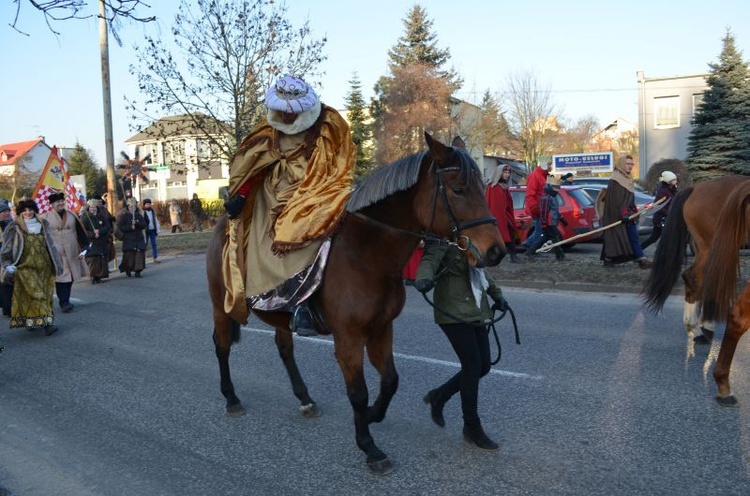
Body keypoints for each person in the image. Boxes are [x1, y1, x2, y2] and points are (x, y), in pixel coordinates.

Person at [220, 75, 356, 330]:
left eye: (291, 113)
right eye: (282, 113)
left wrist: (326, 187)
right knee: (279, 240)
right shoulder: (267, 128)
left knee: (326, 225)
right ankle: (296, 304)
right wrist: (240, 194)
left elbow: (340, 159)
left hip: (319, 187)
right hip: (273, 193)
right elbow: (253, 163)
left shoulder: (329, 123)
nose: (286, 118)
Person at [414, 240, 509, 451]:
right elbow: (429, 260)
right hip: (452, 309)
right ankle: (471, 427)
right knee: (473, 366)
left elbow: (481, 269)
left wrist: (497, 294)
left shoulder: (470, 236)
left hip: (475, 306)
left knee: (483, 366)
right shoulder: (443, 235)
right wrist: (423, 278)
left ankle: (439, 395)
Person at [0, 199, 63, 336]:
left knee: (44, 295)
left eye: (30, 210)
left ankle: (31, 321)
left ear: (35, 210)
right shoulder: (14, 227)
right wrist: (7, 265)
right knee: (37, 295)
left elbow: (51, 246)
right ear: (20, 213)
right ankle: (48, 324)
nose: (28, 213)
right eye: (24, 210)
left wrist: (57, 263)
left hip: (45, 267)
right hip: (25, 268)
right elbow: (6, 250)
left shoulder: (43, 225)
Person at [599, 155, 652, 269]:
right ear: (621, 164)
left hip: (628, 213)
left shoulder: (627, 178)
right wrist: (625, 214)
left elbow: (629, 198)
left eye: (631, 164)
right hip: (617, 215)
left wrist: (633, 210)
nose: (630, 166)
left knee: (631, 237)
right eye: (628, 164)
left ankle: (639, 259)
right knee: (614, 237)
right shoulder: (616, 179)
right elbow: (617, 200)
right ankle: (638, 259)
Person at [43, 192, 89, 313]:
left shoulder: (71, 215)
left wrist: (85, 245)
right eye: (57, 202)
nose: (60, 203)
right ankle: (64, 302)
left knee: (70, 277)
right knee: (61, 278)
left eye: (61, 201)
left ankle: (65, 299)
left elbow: (80, 231)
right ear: (52, 204)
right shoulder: (45, 218)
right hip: (57, 253)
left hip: (72, 250)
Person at [485, 164, 523, 263]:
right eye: (504, 172)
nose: (507, 175)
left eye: (508, 173)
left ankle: (513, 257)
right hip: (498, 218)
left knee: (511, 236)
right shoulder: (493, 187)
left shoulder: (503, 187)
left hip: (506, 217)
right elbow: (494, 206)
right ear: (499, 173)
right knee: (499, 238)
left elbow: (507, 204)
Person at [527, 178, 567, 261]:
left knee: (544, 239)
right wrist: (544, 224)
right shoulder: (546, 197)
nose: (558, 190)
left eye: (559, 188)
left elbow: (554, 211)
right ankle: (560, 255)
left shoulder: (552, 196)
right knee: (555, 238)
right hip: (549, 223)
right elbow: (544, 212)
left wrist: (561, 219)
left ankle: (530, 252)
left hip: (551, 222)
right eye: (557, 188)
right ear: (551, 187)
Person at [640, 170, 678, 250]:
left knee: (658, 238)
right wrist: (668, 213)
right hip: (661, 219)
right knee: (654, 238)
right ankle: (638, 251)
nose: (676, 181)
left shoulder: (672, 189)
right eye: (674, 180)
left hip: (668, 218)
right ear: (669, 181)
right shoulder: (663, 191)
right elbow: (658, 206)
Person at [79, 199, 111, 283]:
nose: (93, 209)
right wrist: (93, 234)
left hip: (102, 241)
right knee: (93, 260)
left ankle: (99, 276)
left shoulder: (102, 216)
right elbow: (83, 231)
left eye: (94, 208)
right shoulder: (85, 218)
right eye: (91, 208)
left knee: (101, 260)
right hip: (91, 243)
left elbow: (107, 227)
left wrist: (99, 231)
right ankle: (93, 276)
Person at [522, 160, 550, 259]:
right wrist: (534, 208)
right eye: (550, 164)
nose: (551, 166)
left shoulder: (542, 176)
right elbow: (530, 194)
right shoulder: (535, 176)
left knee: (539, 229)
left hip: (540, 208)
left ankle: (529, 245)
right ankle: (531, 248)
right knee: (539, 230)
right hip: (537, 208)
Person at [117, 198, 148, 278]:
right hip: (129, 239)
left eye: (134, 207)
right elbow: (121, 227)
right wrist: (130, 227)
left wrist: (136, 223)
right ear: (128, 207)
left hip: (138, 239)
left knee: (139, 256)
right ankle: (128, 269)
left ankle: (138, 271)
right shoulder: (124, 216)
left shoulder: (139, 216)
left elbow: (144, 225)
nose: (132, 208)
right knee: (129, 257)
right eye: (131, 207)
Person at [0, 200, 13, 316]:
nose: (6, 213)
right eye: (3, 211)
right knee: (4, 284)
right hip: (2, 260)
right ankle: (7, 308)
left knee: (8, 283)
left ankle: (8, 308)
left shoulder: (11, 224)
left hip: (9, 259)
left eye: (8, 211)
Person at [142, 198, 161, 263]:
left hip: (152, 229)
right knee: (144, 244)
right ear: (144, 205)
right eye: (146, 204)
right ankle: (142, 259)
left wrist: (157, 229)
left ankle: (155, 257)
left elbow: (155, 220)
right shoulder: (142, 212)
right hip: (146, 230)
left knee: (154, 244)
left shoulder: (152, 211)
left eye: (149, 204)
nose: (148, 205)